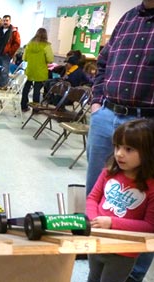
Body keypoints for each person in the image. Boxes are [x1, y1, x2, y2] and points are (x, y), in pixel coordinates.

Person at [84, 1, 154, 281]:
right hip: (108, 114)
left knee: (145, 198)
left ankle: (131, 274)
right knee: (101, 189)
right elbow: (102, 63)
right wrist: (97, 101)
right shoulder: (127, 17)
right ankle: (95, 252)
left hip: (148, 124)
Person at [86, 119, 154, 282]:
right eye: (117, 146)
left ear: (148, 152)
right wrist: (93, 221)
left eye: (128, 149)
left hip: (123, 251)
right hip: (97, 241)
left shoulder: (151, 187)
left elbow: (150, 226)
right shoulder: (108, 172)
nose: (119, 154)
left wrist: (111, 222)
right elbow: (92, 198)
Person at [20, 28, 53, 112]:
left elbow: (24, 58)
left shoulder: (29, 44)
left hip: (30, 70)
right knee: (37, 90)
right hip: (41, 71)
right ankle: (36, 109)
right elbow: (50, 59)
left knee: (26, 88)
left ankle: (23, 106)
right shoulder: (46, 46)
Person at [0, 15, 21, 87]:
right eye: (4, 20)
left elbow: (17, 43)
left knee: (4, 71)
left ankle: (3, 87)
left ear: (10, 21)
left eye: (7, 20)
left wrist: (10, 52)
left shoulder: (14, 32)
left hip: (6, 55)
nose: (5, 22)